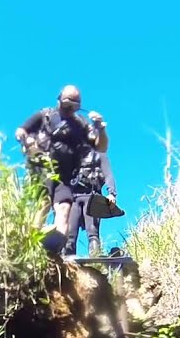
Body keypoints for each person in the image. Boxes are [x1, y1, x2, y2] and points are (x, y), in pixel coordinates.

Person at [15, 85, 109, 255]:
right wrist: (27, 141)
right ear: (59, 100)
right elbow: (21, 130)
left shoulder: (80, 124)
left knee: (64, 208)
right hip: (41, 170)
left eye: (74, 106)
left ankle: (57, 252)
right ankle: (30, 248)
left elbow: (100, 147)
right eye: (67, 105)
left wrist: (100, 128)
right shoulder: (45, 116)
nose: (69, 110)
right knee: (41, 207)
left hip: (64, 177)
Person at [63, 149, 120, 258]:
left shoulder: (99, 154)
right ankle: (68, 260)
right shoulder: (70, 153)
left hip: (93, 196)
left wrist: (111, 193)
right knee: (70, 234)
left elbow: (108, 174)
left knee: (93, 232)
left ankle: (95, 257)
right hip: (73, 197)